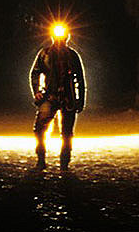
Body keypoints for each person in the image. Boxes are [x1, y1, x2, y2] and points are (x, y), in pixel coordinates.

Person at [30, 22, 86, 171]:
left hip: (68, 98)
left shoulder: (73, 56)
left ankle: (64, 163)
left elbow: (80, 79)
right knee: (40, 129)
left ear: (67, 37)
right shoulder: (45, 54)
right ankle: (41, 160)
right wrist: (37, 91)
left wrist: (80, 100)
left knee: (67, 133)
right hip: (50, 96)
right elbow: (35, 73)